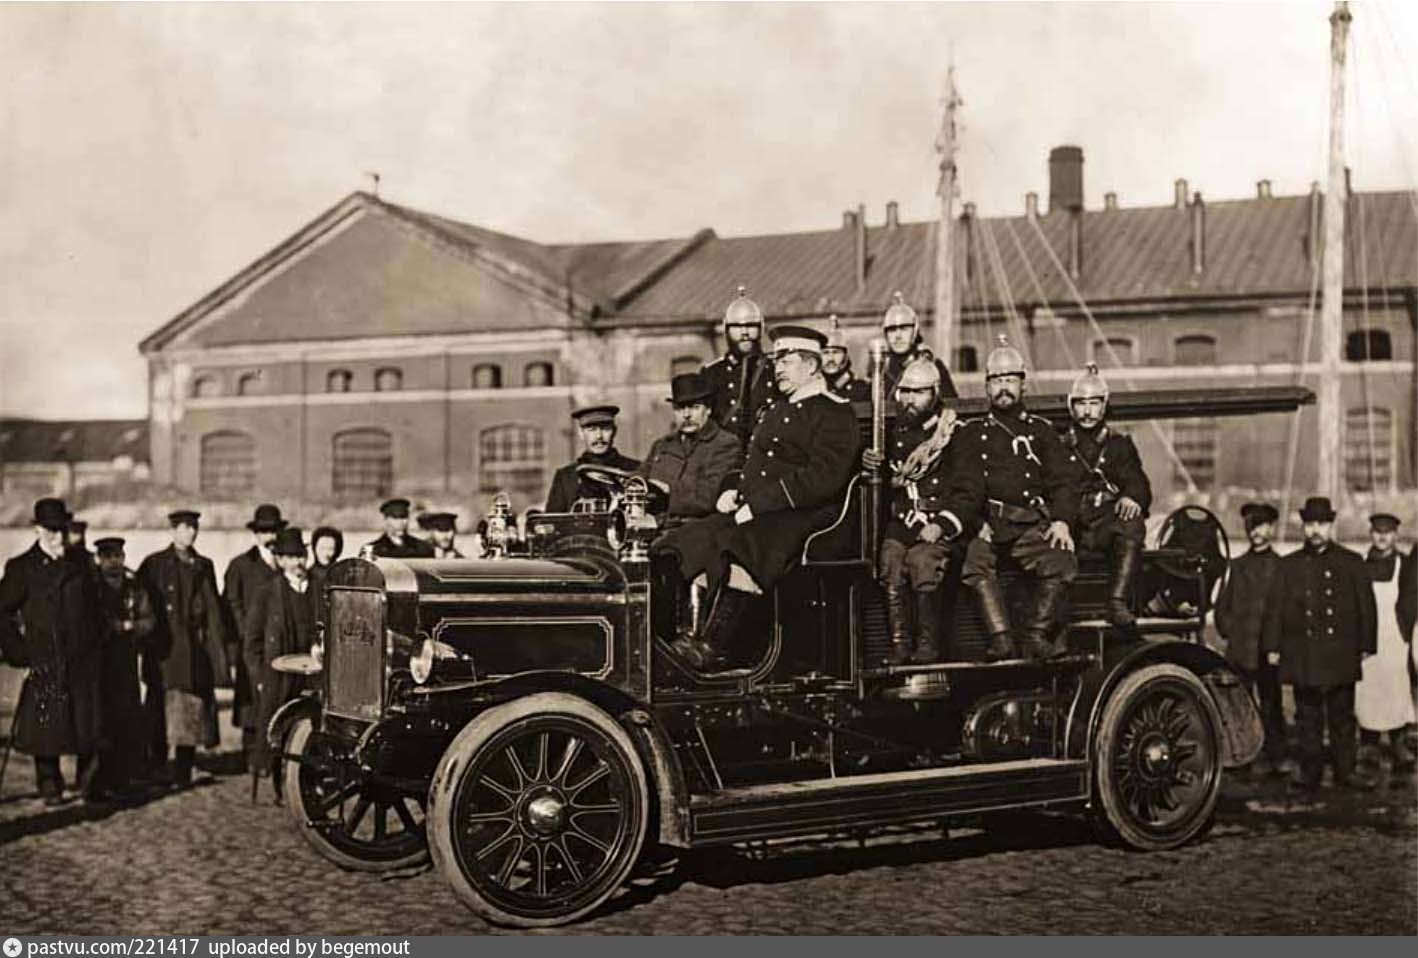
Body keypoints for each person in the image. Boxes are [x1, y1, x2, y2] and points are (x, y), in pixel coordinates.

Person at [658, 325, 861, 672]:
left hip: (805, 515)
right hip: (758, 509)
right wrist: (729, 489)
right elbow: (748, 462)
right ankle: (687, 635)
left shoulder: (833, 412)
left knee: (746, 542)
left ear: (812, 366)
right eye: (776, 359)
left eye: (787, 360)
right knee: (687, 539)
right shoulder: (776, 411)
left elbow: (823, 479)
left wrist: (758, 505)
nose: (778, 367)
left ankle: (711, 647)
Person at [943, 335, 1081, 661]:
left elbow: (1063, 482)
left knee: (1062, 562)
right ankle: (1001, 638)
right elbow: (962, 485)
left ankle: (1036, 635)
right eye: (997, 380)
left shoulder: (1042, 432)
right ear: (987, 387)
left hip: (1029, 523)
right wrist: (975, 523)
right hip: (987, 522)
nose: (1004, 387)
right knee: (974, 563)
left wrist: (1061, 521)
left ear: (1023, 386)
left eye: (1010, 380)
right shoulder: (970, 433)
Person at [1261, 497, 1378, 792]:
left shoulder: (1351, 562)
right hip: (1304, 653)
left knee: (1342, 715)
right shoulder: (1289, 565)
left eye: (1322, 524)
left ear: (1331, 526)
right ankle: (1309, 772)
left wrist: (1366, 643)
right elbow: (1275, 609)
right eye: (1311, 524)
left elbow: (1367, 606)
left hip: (1340, 651)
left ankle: (1346, 771)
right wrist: (1273, 646)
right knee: (1307, 715)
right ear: (1304, 526)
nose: (1315, 530)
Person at [0, 498, 106, 805]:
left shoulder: (81, 564)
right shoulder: (21, 568)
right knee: (46, 724)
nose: (58, 537)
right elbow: (2, 613)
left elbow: (95, 608)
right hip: (45, 659)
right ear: (37, 530)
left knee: (88, 724)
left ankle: (90, 785)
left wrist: (96, 642)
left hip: (83, 659)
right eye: (51, 531)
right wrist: (19, 652)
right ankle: (50, 785)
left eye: (61, 530)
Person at [862, 355, 965, 664]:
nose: (909, 399)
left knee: (922, 560)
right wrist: (867, 461)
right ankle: (900, 645)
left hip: (937, 521)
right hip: (903, 521)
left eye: (918, 392)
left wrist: (943, 525)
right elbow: (889, 476)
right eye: (905, 391)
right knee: (890, 559)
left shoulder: (952, 435)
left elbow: (967, 492)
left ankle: (928, 646)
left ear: (935, 394)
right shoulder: (893, 435)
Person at [137, 510, 229, 789]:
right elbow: (142, 605)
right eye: (184, 528)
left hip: (194, 651)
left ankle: (183, 769)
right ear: (173, 531)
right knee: (159, 709)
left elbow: (213, 611)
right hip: (164, 652)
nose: (190, 533)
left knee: (192, 709)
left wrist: (217, 651)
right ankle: (156, 767)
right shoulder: (154, 565)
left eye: (194, 528)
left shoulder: (204, 565)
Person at [1062, 363, 1151, 627]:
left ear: (1104, 406)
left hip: (1104, 524)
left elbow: (1139, 482)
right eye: (1081, 403)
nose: (1088, 411)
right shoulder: (1059, 445)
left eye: (1094, 403)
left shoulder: (1119, 445)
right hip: (1071, 523)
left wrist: (1132, 497)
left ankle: (1117, 602)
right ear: (1072, 406)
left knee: (1132, 525)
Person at [1214, 502, 1292, 776]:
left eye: (1261, 527)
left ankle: (1277, 756)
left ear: (1271, 529)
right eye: (1251, 527)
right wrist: (1229, 631)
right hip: (1240, 650)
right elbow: (1222, 606)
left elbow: (1285, 612)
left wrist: (1277, 646)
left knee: (1272, 706)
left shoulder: (1281, 567)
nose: (1256, 532)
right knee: (1239, 706)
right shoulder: (1237, 565)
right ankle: (1242, 758)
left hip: (1267, 651)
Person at [248, 527, 318, 790]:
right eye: (291, 557)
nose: (298, 562)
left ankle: (306, 784)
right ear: (281, 561)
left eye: (301, 555)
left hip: (311, 671)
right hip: (278, 674)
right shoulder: (267, 592)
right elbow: (252, 641)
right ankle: (277, 782)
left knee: (309, 726)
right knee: (276, 730)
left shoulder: (317, 587)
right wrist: (259, 677)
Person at [222, 503, 285, 772]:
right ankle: (249, 754)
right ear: (256, 534)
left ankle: (275, 755)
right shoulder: (241, 565)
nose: (269, 537)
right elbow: (231, 602)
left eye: (273, 531)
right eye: (264, 532)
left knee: (278, 696)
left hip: (279, 644)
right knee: (250, 698)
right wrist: (246, 633)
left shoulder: (285, 565)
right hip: (252, 644)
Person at [92, 536, 155, 800]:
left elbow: (149, 619)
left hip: (127, 662)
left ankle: (123, 778)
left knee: (127, 719)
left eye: (118, 556)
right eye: (108, 557)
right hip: (98, 663)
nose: (114, 562)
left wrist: (131, 627)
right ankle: (97, 782)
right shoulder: (91, 588)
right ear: (99, 560)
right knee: (100, 722)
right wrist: (108, 628)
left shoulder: (134, 587)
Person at [638, 372, 744, 523]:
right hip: (651, 526)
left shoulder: (725, 444)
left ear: (708, 409)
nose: (686, 415)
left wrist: (667, 492)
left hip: (696, 532)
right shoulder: (661, 446)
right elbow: (639, 478)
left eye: (694, 407)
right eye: (680, 408)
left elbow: (708, 497)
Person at [1355, 513, 1417, 775]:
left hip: (1395, 636)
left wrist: (1406, 629)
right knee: (1367, 690)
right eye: (1377, 531)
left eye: (1388, 531)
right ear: (1371, 533)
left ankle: (1399, 742)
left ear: (1396, 535)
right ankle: (1368, 745)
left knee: (1397, 688)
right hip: (1368, 638)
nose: (1382, 536)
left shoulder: (1406, 564)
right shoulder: (1359, 565)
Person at [700, 286, 775, 444]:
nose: (745, 333)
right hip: (726, 453)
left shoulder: (774, 369)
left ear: (760, 329)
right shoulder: (712, 373)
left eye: (751, 326)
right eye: (737, 327)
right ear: (727, 331)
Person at [544, 405, 641, 513]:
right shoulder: (566, 477)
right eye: (592, 430)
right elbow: (553, 524)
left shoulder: (635, 470)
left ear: (614, 431)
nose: (599, 436)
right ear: (581, 433)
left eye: (605, 428)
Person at [879, 292, 957, 400]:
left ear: (914, 332)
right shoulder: (880, 370)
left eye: (904, 329)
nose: (898, 336)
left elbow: (952, 405)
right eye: (892, 330)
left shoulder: (933, 367)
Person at [364, 498, 435, 558]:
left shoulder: (423, 548)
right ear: (385, 520)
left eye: (404, 518)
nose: (401, 522)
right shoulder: (372, 550)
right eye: (395, 518)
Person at [822, 315, 870, 403]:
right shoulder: (811, 388)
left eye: (836, 352)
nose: (831, 358)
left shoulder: (860, 389)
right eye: (825, 353)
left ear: (845, 356)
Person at [307, 525, 344, 629]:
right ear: (314, 548)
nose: (326, 553)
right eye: (322, 548)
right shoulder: (307, 576)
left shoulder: (343, 576)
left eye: (330, 549)